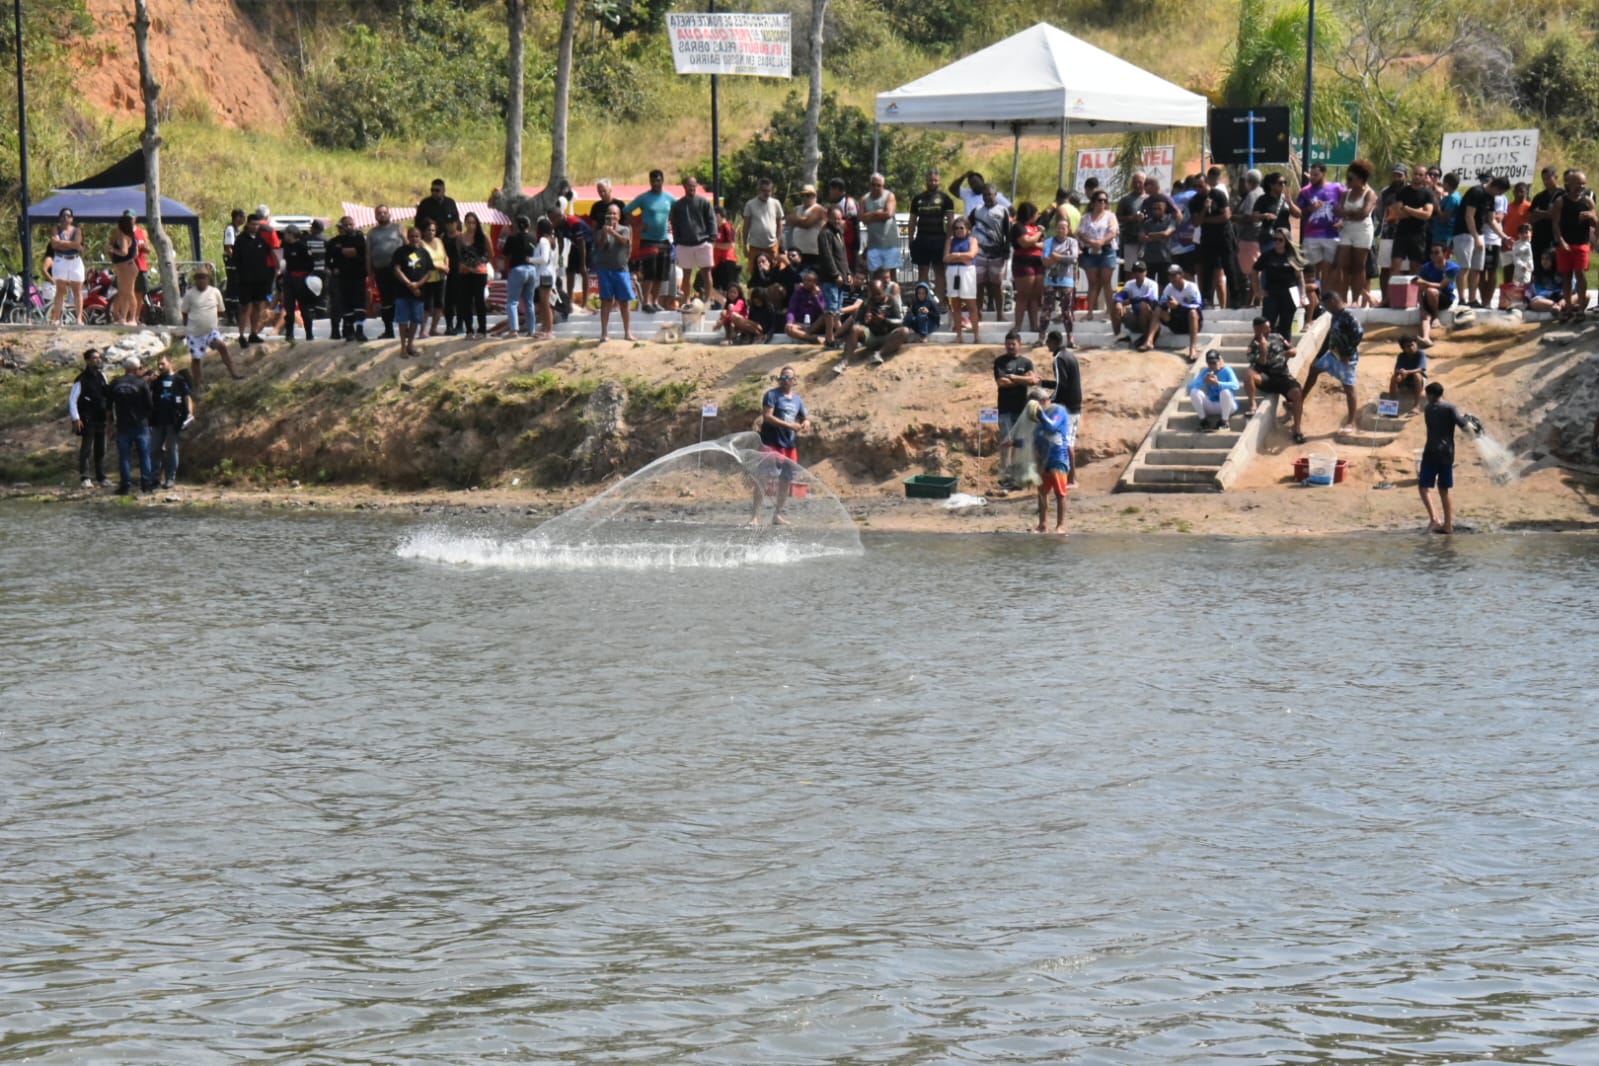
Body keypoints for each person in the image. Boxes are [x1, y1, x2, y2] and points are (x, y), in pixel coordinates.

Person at [1419, 381, 1481, 534]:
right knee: (1443, 489)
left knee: (1423, 487)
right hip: (1447, 454)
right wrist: (1467, 419)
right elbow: (1463, 425)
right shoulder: (1450, 408)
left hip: (1431, 452)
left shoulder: (1428, 409)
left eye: (1427, 395)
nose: (1426, 398)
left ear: (1431, 395)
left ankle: (1434, 519)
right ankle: (1448, 524)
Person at [750, 366, 807, 526]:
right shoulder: (772, 395)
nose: (785, 380)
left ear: (794, 380)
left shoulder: (797, 400)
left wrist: (806, 422)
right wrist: (790, 425)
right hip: (771, 443)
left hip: (789, 445)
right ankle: (755, 516)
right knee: (763, 478)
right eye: (783, 377)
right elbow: (767, 417)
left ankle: (777, 515)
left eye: (789, 378)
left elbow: (804, 417)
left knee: (786, 480)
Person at [1301, 288, 1362, 432]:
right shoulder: (1335, 316)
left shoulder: (1348, 316)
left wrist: (1347, 353)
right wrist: (1319, 355)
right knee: (1314, 368)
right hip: (1333, 354)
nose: (1326, 309)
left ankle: (1351, 422)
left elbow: (1358, 334)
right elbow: (1329, 337)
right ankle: (1300, 400)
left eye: (1327, 305)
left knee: (1349, 388)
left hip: (1347, 358)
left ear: (1333, 302)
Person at [1242, 315, 1305, 443]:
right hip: (1267, 378)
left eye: (1269, 327)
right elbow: (1260, 364)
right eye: (1266, 328)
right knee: (1249, 374)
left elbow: (1292, 348)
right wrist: (1263, 350)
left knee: (1297, 393)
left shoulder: (1277, 337)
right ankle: (1253, 404)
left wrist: (1291, 352)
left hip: (1283, 376)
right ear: (1257, 329)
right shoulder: (1252, 347)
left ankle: (1297, 427)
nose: (1269, 330)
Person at [178, 270, 241, 389]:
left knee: (222, 346)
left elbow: (221, 311)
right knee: (196, 358)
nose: (201, 280)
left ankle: (234, 373)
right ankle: (198, 384)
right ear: (195, 280)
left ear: (208, 279)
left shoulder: (215, 292)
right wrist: (187, 325)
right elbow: (184, 312)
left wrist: (211, 318)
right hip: (195, 333)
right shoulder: (190, 294)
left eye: (204, 277)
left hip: (211, 331)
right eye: (198, 278)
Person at [624, 169, 675, 312]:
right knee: (649, 273)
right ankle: (646, 301)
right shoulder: (644, 198)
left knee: (660, 274)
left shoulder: (669, 198)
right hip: (648, 240)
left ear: (662, 181)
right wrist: (636, 225)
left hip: (663, 239)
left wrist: (672, 222)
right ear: (650, 182)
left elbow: (677, 209)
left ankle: (655, 301)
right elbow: (626, 210)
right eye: (653, 181)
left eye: (658, 180)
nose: (655, 183)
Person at [993, 331, 1038, 490]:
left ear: (1020, 344)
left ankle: (1020, 476)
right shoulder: (1000, 362)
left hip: (1021, 410)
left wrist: (1013, 377)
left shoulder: (1026, 363)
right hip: (1005, 409)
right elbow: (1001, 382)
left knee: (1021, 444)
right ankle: (1006, 477)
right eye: (1008, 344)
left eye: (1013, 344)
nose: (1010, 347)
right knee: (1006, 443)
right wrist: (1022, 380)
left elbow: (1032, 380)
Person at [1333, 160, 1378, 305]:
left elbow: (1364, 213)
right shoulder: (1346, 194)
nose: (1347, 181)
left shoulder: (1370, 194)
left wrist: (1347, 213)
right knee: (1342, 265)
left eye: (1350, 178)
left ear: (1360, 178)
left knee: (1359, 266)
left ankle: (1355, 300)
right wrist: (1351, 213)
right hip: (1347, 229)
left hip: (1363, 230)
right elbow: (1337, 211)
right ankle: (1343, 299)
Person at [108, 354, 154, 495]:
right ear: (136, 369)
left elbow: (108, 405)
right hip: (141, 425)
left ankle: (125, 486)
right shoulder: (141, 383)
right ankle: (146, 485)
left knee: (124, 457)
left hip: (123, 425)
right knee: (144, 455)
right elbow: (150, 405)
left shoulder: (115, 383)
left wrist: (110, 423)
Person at [1552, 170, 1595, 318]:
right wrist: (1561, 241)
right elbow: (1555, 224)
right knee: (1566, 276)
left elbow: (1595, 224)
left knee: (1580, 274)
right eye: (1577, 184)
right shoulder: (1561, 201)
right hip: (1565, 244)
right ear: (1569, 184)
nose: (1581, 187)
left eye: (1583, 184)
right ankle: (1568, 308)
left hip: (1581, 244)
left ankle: (1581, 309)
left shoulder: (1588, 201)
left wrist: (1591, 217)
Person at [968, 183, 1013, 324]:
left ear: (996, 195)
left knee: (996, 285)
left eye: (990, 194)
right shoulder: (976, 211)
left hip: (997, 254)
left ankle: (1000, 314)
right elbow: (967, 226)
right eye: (985, 195)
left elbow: (1008, 232)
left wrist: (1006, 249)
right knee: (979, 285)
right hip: (979, 253)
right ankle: (978, 313)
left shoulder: (1003, 211)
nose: (987, 197)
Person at [147, 353, 193, 490]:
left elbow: (187, 397)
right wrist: (149, 381)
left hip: (173, 420)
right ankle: (155, 478)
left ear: (170, 362)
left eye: (163, 364)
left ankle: (170, 478)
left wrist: (189, 413)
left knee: (171, 449)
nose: (160, 367)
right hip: (157, 420)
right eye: (159, 364)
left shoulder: (179, 379)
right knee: (155, 449)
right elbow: (146, 393)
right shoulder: (156, 380)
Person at [1029, 386, 1071, 534]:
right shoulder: (1038, 418)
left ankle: (1061, 525)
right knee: (1042, 492)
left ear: (1043, 401)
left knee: (1060, 493)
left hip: (1058, 457)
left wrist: (1040, 414)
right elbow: (1034, 437)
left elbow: (1052, 427)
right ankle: (1043, 524)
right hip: (1043, 460)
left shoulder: (1058, 411)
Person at [909, 170, 955, 304]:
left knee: (939, 271)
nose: (933, 183)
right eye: (930, 180)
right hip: (921, 239)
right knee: (922, 271)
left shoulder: (946, 199)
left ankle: (940, 302)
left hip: (939, 239)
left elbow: (950, 221)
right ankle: (923, 302)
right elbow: (912, 220)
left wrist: (948, 241)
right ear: (926, 181)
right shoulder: (917, 198)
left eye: (935, 180)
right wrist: (910, 239)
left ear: (939, 181)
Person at [594, 202, 637, 343]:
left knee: (624, 302)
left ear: (619, 216)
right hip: (605, 270)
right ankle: (604, 333)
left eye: (614, 213)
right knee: (606, 301)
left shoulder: (624, 229)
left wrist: (613, 232)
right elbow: (600, 246)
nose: (611, 216)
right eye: (609, 213)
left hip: (621, 270)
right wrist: (605, 233)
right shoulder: (601, 230)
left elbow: (626, 242)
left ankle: (627, 332)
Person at [1296, 163, 1345, 283]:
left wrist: (1342, 221)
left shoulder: (1337, 188)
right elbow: (1298, 213)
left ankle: (1329, 292)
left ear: (1323, 174)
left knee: (1332, 269)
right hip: (1311, 236)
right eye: (1311, 174)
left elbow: (1349, 205)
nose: (1312, 177)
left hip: (1333, 235)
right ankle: (1315, 292)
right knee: (1311, 270)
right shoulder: (1305, 192)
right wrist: (1310, 209)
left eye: (1316, 175)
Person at [68, 348, 110, 488]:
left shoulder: (102, 376)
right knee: (86, 449)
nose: (98, 360)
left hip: (101, 418)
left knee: (101, 449)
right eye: (94, 358)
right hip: (87, 419)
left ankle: (101, 477)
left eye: (99, 357)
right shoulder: (81, 379)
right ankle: (85, 477)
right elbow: (72, 400)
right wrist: (76, 418)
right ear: (87, 361)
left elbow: (107, 394)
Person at [670, 176, 716, 302]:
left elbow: (711, 220)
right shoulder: (678, 205)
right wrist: (677, 240)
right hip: (684, 244)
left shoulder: (704, 202)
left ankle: (707, 300)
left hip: (703, 242)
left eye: (694, 185)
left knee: (706, 273)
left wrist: (712, 239)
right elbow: (674, 223)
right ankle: (686, 300)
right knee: (686, 274)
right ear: (684, 186)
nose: (691, 188)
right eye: (689, 185)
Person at [1256, 228, 1307, 341]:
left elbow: (1300, 278)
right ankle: (1264, 347)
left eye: (1280, 240)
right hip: (1271, 293)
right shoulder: (1267, 255)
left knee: (1285, 325)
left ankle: (1285, 349)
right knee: (1267, 323)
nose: (1277, 242)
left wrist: (1302, 295)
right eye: (1274, 239)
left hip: (1289, 294)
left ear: (1286, 241)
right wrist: (1258, 289)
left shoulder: (1292, 256)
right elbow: (1255, 270)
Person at [1045, 330, 1082, 485]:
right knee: (1069, 442)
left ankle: (1071, 479)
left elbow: (1062, 385)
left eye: (1048, 341)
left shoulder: (1059, 359)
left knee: (1065, 444)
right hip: (1075, 406)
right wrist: (1043, 383)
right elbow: (1063, 383)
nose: (1046, 344)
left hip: (1067, 407)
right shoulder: (1070, 355)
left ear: (1054, 342)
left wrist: (1050, 400)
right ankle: (1071, 478)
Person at [1076, 190, 1119, 321]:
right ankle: (1089, 312)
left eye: (1105, 200)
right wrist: (1092, 242)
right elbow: (1080, 233)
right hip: (1091, 252)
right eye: (1100, 200)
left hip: (1106, 251)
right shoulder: (1086, 217)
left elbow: (1113, 232)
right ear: (1094, 202)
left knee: (1106, 282)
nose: (1102, 203)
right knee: (1093, 283)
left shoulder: (1110, 216)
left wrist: (1101, 242)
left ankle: (1109, 312)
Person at [324, 216, 368, 342]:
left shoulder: (360, 239)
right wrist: (333, 268)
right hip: (342, 278)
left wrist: (341, 251)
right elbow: (327, 259)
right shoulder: (333, 242)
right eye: (346, 225)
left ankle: (360, 330)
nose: (349, 227)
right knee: (345, 304)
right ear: (341, 226)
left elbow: (359, 252)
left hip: (358, 276)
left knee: (359, 304)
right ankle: (349, 331)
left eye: (351, 224)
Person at [391, 227, 433, 357]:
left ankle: (410, 345)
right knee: (403, 320)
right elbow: (396, 269)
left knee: (415, 319)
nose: (414, 239)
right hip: (402, 292)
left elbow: (429, 272)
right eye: (412, 236)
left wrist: (418, 284)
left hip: (419, 292)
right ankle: (403, 347)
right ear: (408, 237)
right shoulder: (400, 252)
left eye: (417, 236)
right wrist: (409, 284)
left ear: (420, 237)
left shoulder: (424, 253)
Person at [1006, 202, 1046, 340]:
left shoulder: (1035, 227)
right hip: (1023, 262)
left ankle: (1034, 325)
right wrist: (1038, 234)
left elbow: (1042, 244)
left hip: (1038, 262)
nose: (1038, 215)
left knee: (1035, 296)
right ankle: (1018, 325)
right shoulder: (1018, 227)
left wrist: (1033, 242)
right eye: (1036, 213)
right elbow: (1024, 242)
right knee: (1023, 295)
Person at [366, 205, 405, 340]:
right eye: (379, 213)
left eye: (384, 212)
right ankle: (388, 330)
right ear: (375, 215)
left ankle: (405, 329)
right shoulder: (372, 233)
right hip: (380, 270)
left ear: (389, 213)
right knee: (386, 301)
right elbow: (368, 254)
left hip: (398, 269)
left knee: (400, 299)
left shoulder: (398, 228)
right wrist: (370, 273)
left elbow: (407, 245)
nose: (382, 215)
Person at [1391, 166, 1439, 274]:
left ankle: (1414, 286)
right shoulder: (1403, 191)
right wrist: (1418, 211)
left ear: (1425, 177)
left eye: (1420, 175)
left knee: (1415, 269)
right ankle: (1393, 286)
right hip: (1401, 233)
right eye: (1415, 174)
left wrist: (1407, 209)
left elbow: (1427, 214)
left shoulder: (1428, 193)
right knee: (1395, 266)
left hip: (1418, 234)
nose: (1417, 176)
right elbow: (1397, 213)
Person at [1040, 216, 1078, 347]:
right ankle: (1041, 337)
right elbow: (1045, 260)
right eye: (1058, 228)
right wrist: (1062, 258)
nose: (1061, 230)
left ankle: (1070, 338)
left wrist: (1057, 257)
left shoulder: (1072, 242)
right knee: (1046, 309)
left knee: (1067, 311)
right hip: (1050, 279)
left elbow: (1073, 259)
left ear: (1068, 229)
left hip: (1066, 279)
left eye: (1063, 228)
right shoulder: (1049, 242)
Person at [816, 206, 851, 347]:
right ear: (828, 217)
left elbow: (843, 256)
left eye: (839, 218)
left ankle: (840, 335)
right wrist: (835, 274)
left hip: (841, 277)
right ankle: (829, 338)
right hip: (831, 278)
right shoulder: (825, 234)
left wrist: (848, 273)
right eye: (835, 218)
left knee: (837, 310)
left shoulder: (839, 232)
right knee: (831, 308)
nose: (837, 221)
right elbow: (827, 256)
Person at [943, 215, 980, 343]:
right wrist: (961, 258)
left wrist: (956, 255)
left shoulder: (972, 240)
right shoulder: (950, 240)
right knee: (956, 305)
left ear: (968, 229)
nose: (958, 230)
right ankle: (959, 335)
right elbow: (946, 258)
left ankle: (976, 336)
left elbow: (972, 255)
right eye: (956, 228)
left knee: (971, 305)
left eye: (961, 228)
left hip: (967, 273)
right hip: (953, 273)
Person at [1416, 242, 1460, 347]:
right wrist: (1422, 307)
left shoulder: (1453, 267)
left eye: (1436, 252)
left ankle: (1436, 316)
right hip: (1429, 297)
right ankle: (1426, 338)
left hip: (1445, 298)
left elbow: (1442, 286)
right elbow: (1419, 289)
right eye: (1431, 253)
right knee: (1425, 316)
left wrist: (1425, 283)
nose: (1433, 255)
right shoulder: (1426, 267)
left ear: (1445, 253)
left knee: (1432, 291)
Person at [1158, 264, 1205, 362]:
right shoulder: (1169, 287)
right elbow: (1161, 303)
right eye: (1170, 275)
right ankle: (1149, 340)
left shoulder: (1191, 287)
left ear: (1182, 275)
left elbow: (1198, 305)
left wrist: (1178, 306)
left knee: (1193, 313)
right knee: (1158, 310)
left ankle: (1192, 349)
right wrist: (1166, 304)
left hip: (1191, 322)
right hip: (1176, 323)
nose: (1172, 278)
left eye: (1174, 275)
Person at [279, 225, 318, 341]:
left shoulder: (302, 247)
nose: (285, 236)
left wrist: (305, 275)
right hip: (288, 279)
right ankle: (289, 334)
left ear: (291, 234)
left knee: (304, 307)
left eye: (286, 233)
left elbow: (311, 264)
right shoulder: (285, 246)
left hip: (301, 280)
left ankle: (309, 334)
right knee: (289, 308)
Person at [1110, 260, 1160, 351]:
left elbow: (1150, 298)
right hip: (1135, 318)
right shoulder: (1130, 284)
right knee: (1115, 305)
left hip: (1149, 320)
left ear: (1145, 272)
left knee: (1143, 305)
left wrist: (1130, 301)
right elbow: (1120, 295)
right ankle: (1117, 336)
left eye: (1140, 271)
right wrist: (1119, 302)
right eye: (1135, 271)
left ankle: (1146, 338)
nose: (1137, 273)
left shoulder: (1152, 284)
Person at [859, 173, 901, 276]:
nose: (876, 187)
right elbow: (862, 218)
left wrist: (870, 215)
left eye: (879, 185)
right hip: (873, 245)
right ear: (870, 185)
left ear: (883, 186)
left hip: (890, 245)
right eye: (873, 185)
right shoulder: (864, 199)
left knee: (891, 276)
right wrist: (877, 212)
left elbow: (889, 214)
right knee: (875, 276)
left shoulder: (889, 196)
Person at [1234, 170, 1265, 305]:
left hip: (1249, 237)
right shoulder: (1261, 192)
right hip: (1255, 237)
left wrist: (1234, 218)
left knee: (1251, 271)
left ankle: (1254, 300)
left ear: (1249, 182)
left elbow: (1249, 216)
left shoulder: (1253, 194)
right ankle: (1253, 300)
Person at [48, 208, 84, 326]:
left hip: (75, 260)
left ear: (72, 218)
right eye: (63, 215)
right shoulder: (56, 229)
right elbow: (54, 244)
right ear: (60, 218)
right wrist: (72, 245)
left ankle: (79, 319)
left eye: (68, 216)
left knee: (77, 290)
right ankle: (56, 318)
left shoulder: (77, 230)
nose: (65, 218)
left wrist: (62, 243)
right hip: (61, 259)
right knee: (60, 290)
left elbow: (77, 243)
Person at [1189, 349, 1240, 431]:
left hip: (1228, 406)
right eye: (1210, 363)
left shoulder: (1227, 370)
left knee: (1225, 392)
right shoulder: (1206, 372)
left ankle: (1224, 422)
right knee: (1194, 392)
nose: (1212, 365)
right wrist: (1204, 381)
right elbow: (1191, 386)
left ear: (1219, 361)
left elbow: (1236, 385)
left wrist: (1218, 384)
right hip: (1211, 405)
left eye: (1214, 363)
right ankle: (1204, 421)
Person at [741, 177, 785, 273]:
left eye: (769, 191)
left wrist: (778, 241)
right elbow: (746, 225)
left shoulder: (776, 203)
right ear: (759, 190)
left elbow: (779, 224)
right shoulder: (750, 204)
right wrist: (744, 245)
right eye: (764, 191)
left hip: (771, 245)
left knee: (773, 271)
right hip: (755, 245)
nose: (767, 193)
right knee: (754, 272)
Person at [107, 216, 140, 327]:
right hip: (125, 267)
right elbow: (135, 253)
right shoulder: (131, 236)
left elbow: (124, 252)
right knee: (123, 293)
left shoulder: (123, 237)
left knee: (129, 293)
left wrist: (113, 250)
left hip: (127, 268)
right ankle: (123, 318)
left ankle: (133, 319)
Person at [530, 217, 559, 340]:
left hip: (544, 275)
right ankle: (545, 329)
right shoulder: (552, 241)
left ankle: (548, 330)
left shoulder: (543, 241)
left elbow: (544, 259)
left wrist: (530, 260)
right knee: (544, 304)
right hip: (548, 274)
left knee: (545, 304)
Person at [824, 177, 862, 270]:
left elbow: (852, 224)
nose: (830, 192)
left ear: (837, 189)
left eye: (831, 189)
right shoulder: (835, 203)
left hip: (849, 243)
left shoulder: (849, 203)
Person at [784, 270, 827, 344]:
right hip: (801, 324)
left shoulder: (821, 293)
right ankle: (814, 339)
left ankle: (804, 336)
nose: (805, 282)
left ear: (815, 283)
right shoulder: (798, 292)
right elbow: (792, 309)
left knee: (826, 316)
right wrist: (790, 322)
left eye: (809, 281)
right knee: (788, 328)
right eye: (805, 280)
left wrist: (816, 298)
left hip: (815, 324)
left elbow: (823, 311)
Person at [1389, 333, 1428, 408]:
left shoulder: (1420, 353)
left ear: (1416, 344)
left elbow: (1421, 369)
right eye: (1408, 346)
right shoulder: (1401, 356)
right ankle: (1391, 405)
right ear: (1403, 349)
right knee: (1394, 377)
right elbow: (1396, 370)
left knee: (1417, 375)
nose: (1411, 348)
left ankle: (1416, 405)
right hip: (1406, 379)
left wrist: (1407, 372)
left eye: (1412, 345)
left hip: (1419, 380)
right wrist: (1401, 372)